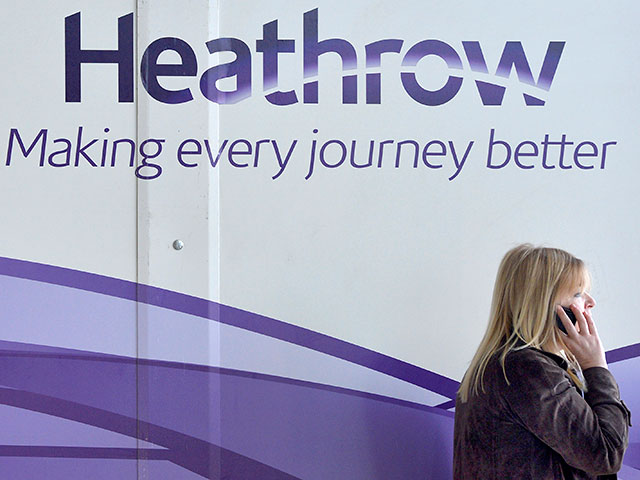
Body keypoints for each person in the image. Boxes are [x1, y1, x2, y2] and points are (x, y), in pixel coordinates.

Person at [453, 244, 631, 479]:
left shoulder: (503, 365)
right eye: (578, 293)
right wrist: (596, 367)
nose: (590, 302)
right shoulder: (527, 370)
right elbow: (605, 454)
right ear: (543, 304)